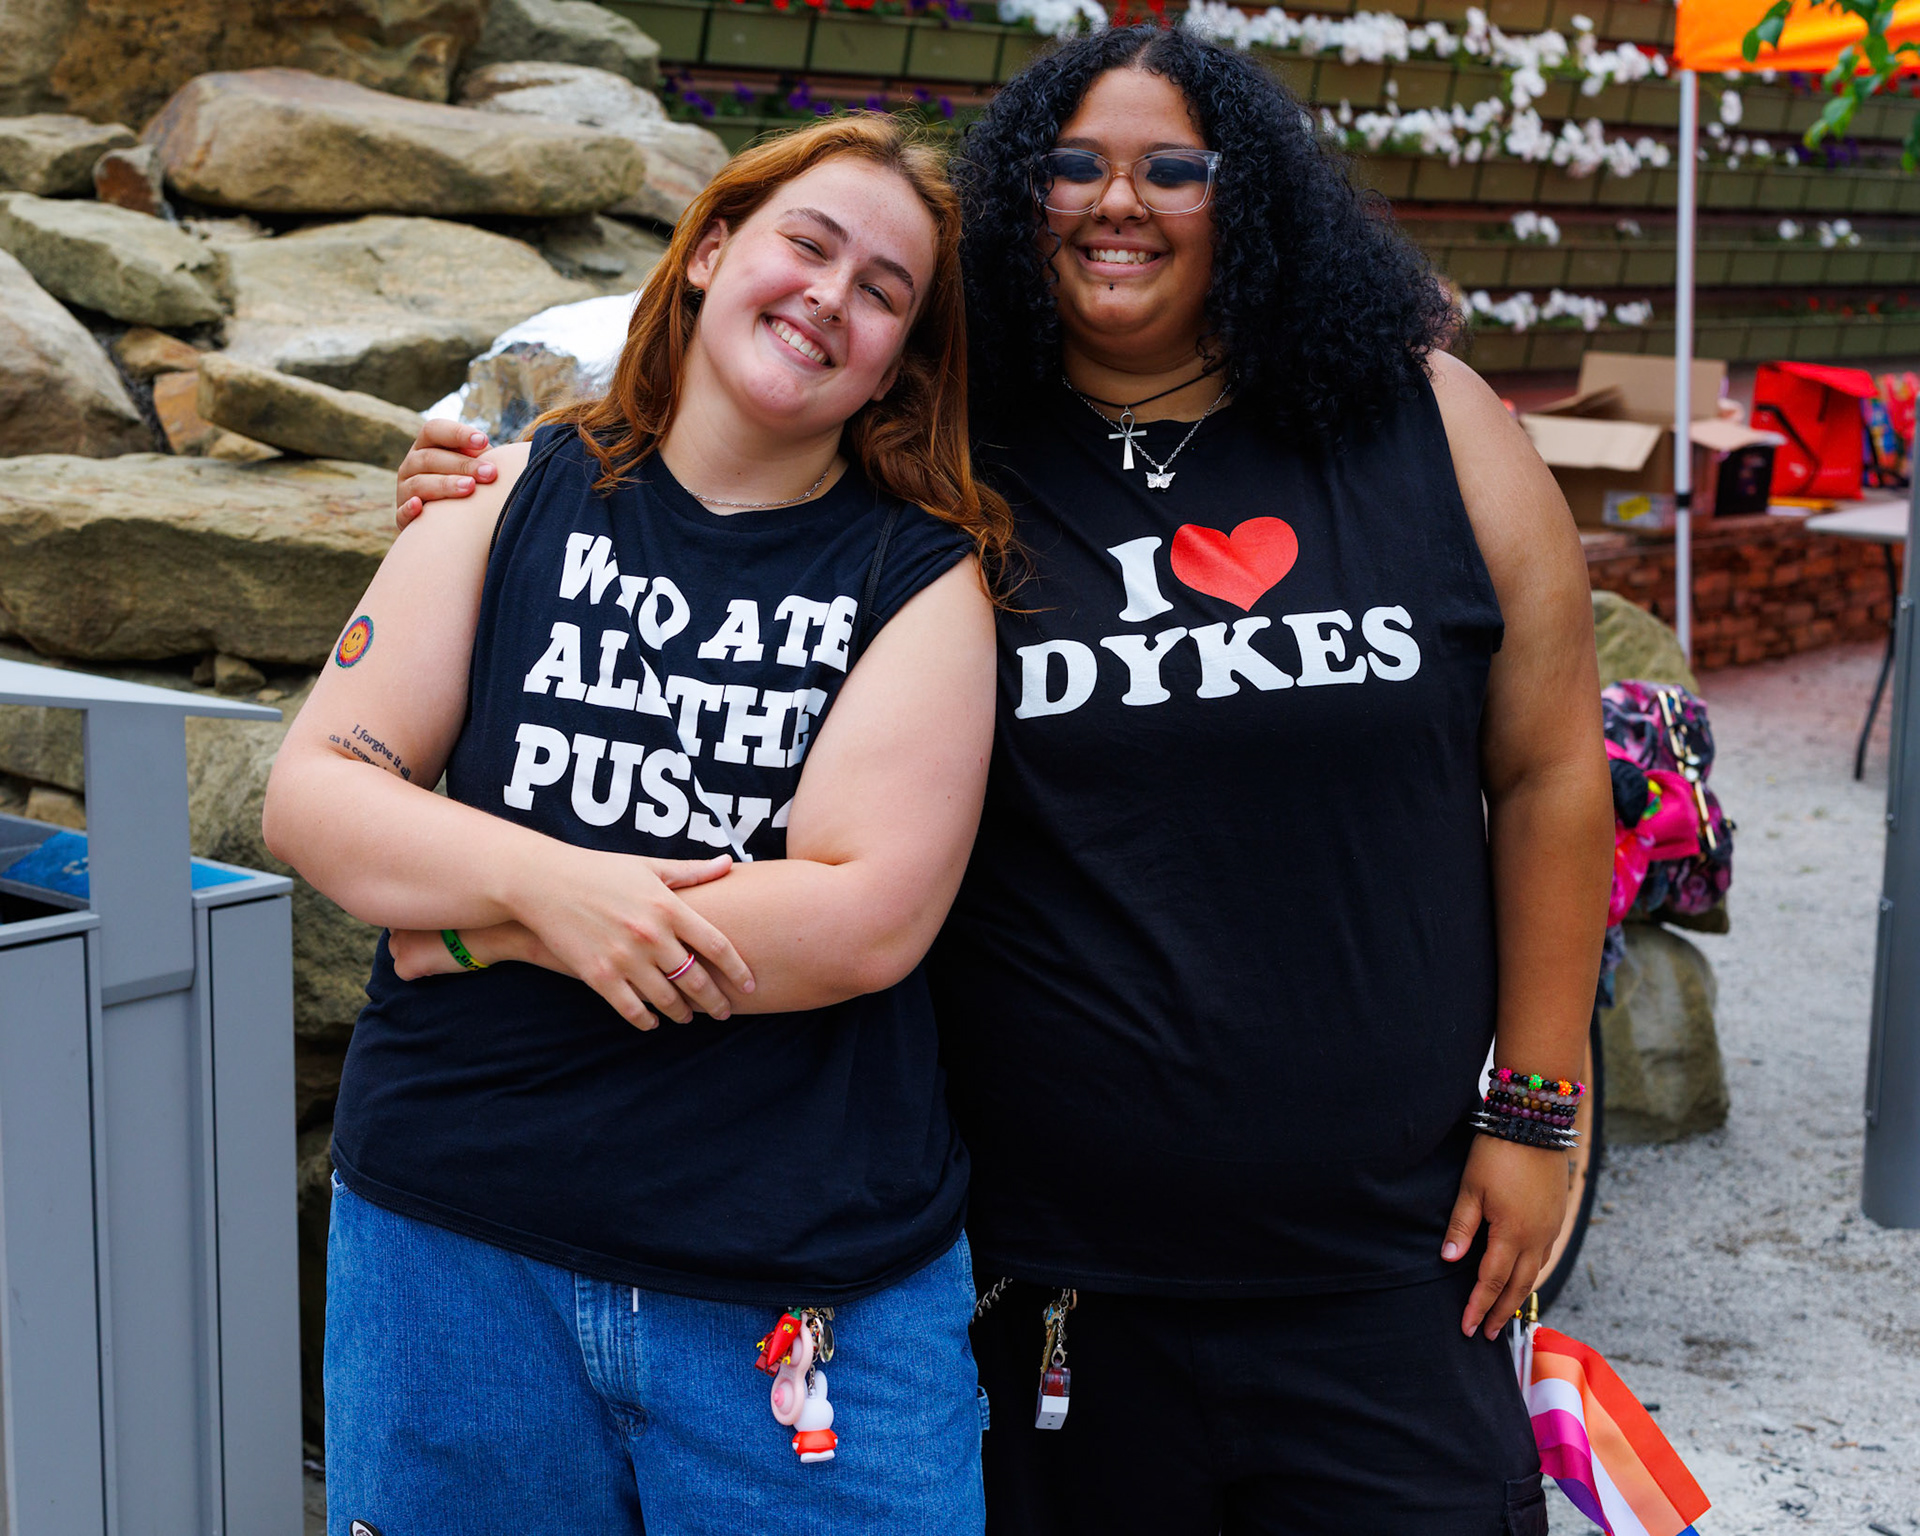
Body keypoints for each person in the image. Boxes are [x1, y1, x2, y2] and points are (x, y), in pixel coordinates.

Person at [394, 26, 1613, 1535]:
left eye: (1177, 167)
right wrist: (488, 477)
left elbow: (1553, 764)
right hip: (1042, 1273)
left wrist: (1541, 1105)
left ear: (1255, 202)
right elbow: (703, 453)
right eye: (1073, 166)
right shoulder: (934, 450)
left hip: (1386, 1256)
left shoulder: (1423, 421)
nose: (1121, 201)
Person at [264, 114, 1010, 1536]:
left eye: (882, 290)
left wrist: (478, 931)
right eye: (809, 243)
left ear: (899, 361)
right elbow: (319, 791)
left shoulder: (919, 583)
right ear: (715, 250)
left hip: (797, 1286)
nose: (829, 297)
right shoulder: (506, 489)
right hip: (453, 1251)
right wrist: (564, 889)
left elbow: (857, 924)